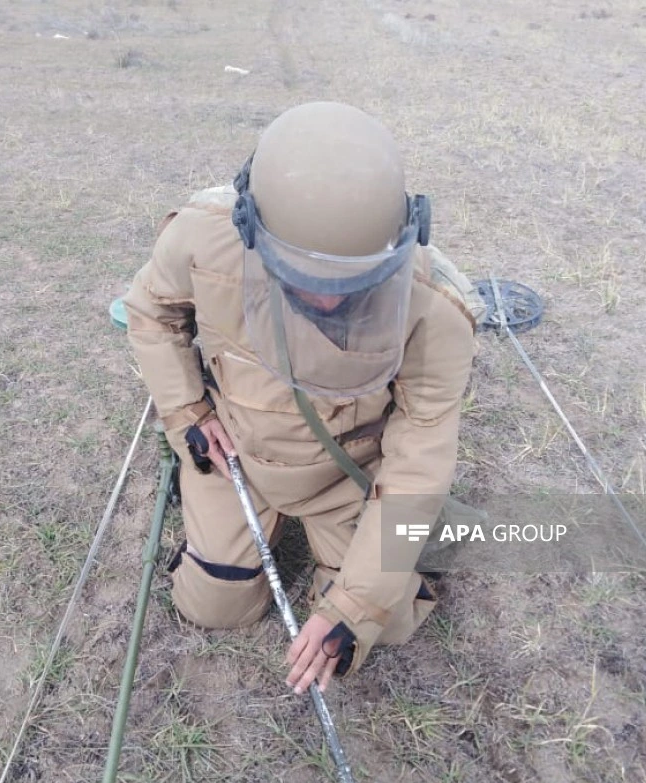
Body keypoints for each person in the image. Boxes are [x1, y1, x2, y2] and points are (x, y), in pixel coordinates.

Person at [124, 101, 483, 696]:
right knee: (213, 604)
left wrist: (356, 607)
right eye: (301, 277)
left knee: (375, 627)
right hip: (234, 452)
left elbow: (420, 458)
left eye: (349, 283)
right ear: (248, 228)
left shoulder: (435, 310)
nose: (323, 301)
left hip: (344, 474)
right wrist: (188, 409)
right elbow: (150, 312)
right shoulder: (201, 238)